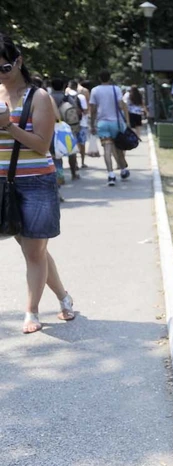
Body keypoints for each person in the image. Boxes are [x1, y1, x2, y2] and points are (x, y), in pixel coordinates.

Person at [0, 34, 76, 333]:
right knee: (35, 250)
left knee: (33, 251)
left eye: (5, 68)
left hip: (35, 183)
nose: (1, 75)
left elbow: (42, 146)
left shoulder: (38, 97)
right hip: (3, 183)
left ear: (18, 61)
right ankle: (64, 297)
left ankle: (31, 311)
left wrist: (7, 125)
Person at [89, 70, 130, 186]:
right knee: (119, 147)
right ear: (109, 78)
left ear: (99, 78)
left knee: (107, 149)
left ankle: (111, 174)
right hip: (116, 122)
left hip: (102, 123)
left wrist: (92, 124)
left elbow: (93, 110)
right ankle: (123, 170)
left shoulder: (95, 90)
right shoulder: (115, 89)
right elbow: (121, 105)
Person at [48, 77, 80, 181]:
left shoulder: (48, 97)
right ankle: (73, 173)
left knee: (55, 153)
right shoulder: (67, 98)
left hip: (52, 128)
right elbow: (75, 110)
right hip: (67, 128)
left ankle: (60, 175)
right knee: (71, 152)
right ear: (63, 86)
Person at [68, 79, 89, 167]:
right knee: (82, 143)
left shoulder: (66, 96)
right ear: (77, 87)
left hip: (70, 123)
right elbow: (85, 110)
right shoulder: (81, 97)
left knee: (73, 144)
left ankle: (74, 163)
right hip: (82, 123)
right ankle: (82, 162)